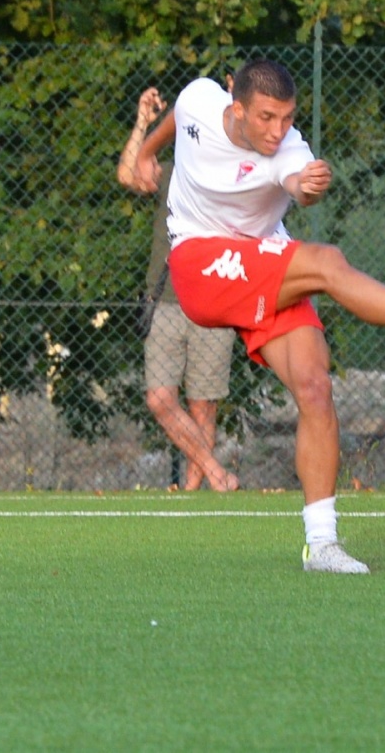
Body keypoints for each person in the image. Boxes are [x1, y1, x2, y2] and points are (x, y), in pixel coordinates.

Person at [133, 60, 385, 574]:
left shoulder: (289, 150)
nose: (279, 130)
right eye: (267, 117)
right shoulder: (199, 100)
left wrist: (307, 184)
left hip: (264, 262)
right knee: (327, 262)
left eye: (288, 117)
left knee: (315, 389)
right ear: (237, 107)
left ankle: (322, 545)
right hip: (200, 262)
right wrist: (146, 151)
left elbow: (300, 183)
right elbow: (178, 118)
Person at [117, 86, 240, 492]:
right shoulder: (174, 174)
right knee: (159, 398)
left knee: (204, 406)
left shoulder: (238, 178)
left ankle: (192, 496)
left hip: (214, 305)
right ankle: (216, 472)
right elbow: (128, 174)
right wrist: (142, 123)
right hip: (166, 301)